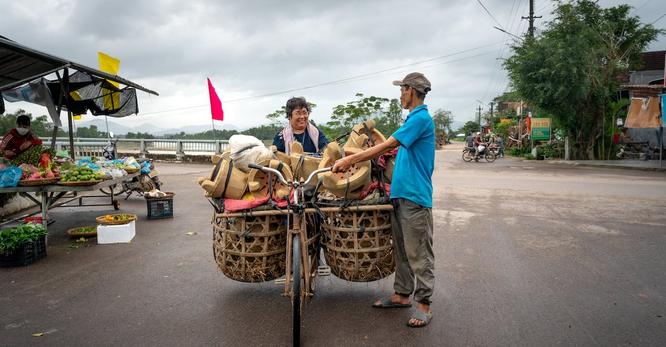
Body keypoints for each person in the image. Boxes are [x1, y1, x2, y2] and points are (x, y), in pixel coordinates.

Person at [332, 72, 435, 328]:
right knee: (401, 248)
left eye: (402, 89)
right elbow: (387, 145)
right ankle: (402, 295)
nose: (400, 94)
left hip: (415, 196)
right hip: (400, 195)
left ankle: (423, 304)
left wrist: (349, 160)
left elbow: (385, 146)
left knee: (418, 251)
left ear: (411, 90)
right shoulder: (411, 119)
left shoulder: (420, 118)